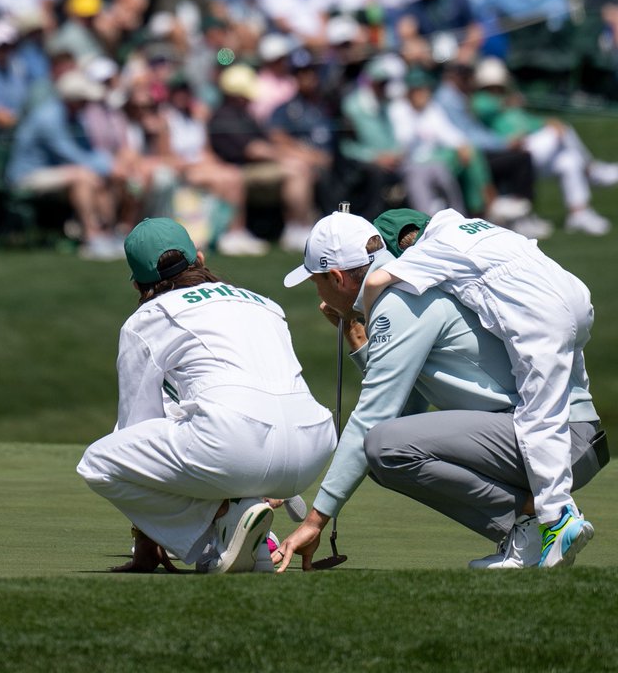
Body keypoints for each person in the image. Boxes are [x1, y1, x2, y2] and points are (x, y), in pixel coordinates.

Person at [272, 210, 605, 574]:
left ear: (336, 278)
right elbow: (405, 410)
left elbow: (375, 417)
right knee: (386, 453)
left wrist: (316, 520)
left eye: (316, 281)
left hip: (557, 440)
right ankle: (526, 532)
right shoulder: (406, 291)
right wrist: (355, 333)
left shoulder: (398, 300)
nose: (316, 291)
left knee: (383, 446)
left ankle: (534, 519)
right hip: (558, 438)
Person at [77, 217, 336, 574]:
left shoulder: (147, 317)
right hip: (314, 446)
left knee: (98, 462)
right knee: (197, 422)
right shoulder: (265, 303)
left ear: (137, 282)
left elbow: (138, 426)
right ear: (199, 257)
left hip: (234, 442)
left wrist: (147, 541)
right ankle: (254, 544)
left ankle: (224, 521)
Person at [360, 207, 596, 568]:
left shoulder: (428, 249)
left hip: (536, 312)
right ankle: (532, 540)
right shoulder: (473, 227)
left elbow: (377, 282)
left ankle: (558, 517)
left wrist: (364, 316)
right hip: (573, 294)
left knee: (537, 415)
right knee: (561, 391)